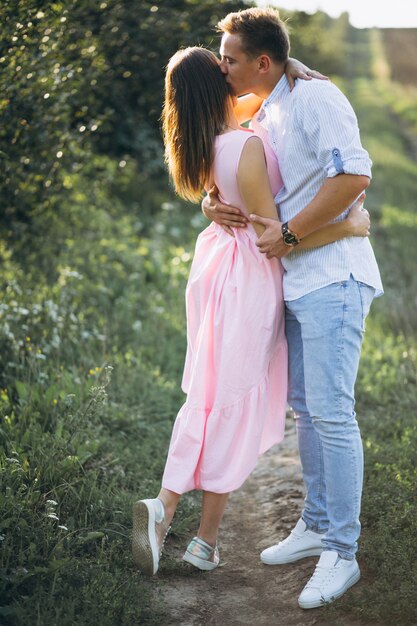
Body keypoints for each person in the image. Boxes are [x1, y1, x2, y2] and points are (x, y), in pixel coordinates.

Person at [132, 46, 371, 578]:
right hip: (249, 278)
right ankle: (169, 508)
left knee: (213, 394)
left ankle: (202, 540)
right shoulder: (244, 145)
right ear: (216, 87)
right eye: (223, 71)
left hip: (215, 269)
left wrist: (291, 68)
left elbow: (254, 101)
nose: (233, 76)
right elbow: (272, 236)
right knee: (235, 399)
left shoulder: (202, 138)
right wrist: (347, 227)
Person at [202, 7, 383, 609]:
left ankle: (343, 552)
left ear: (260, 60)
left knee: (331, 414)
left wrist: (293, 235)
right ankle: (315, 524)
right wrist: (210, 203)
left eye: (229, 58)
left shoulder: (314, 100)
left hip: (333, 278)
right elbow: (231, 156)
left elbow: (354, 175)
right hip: (296, 281)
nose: (221, 66)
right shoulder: (272, 99)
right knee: (306, 410)